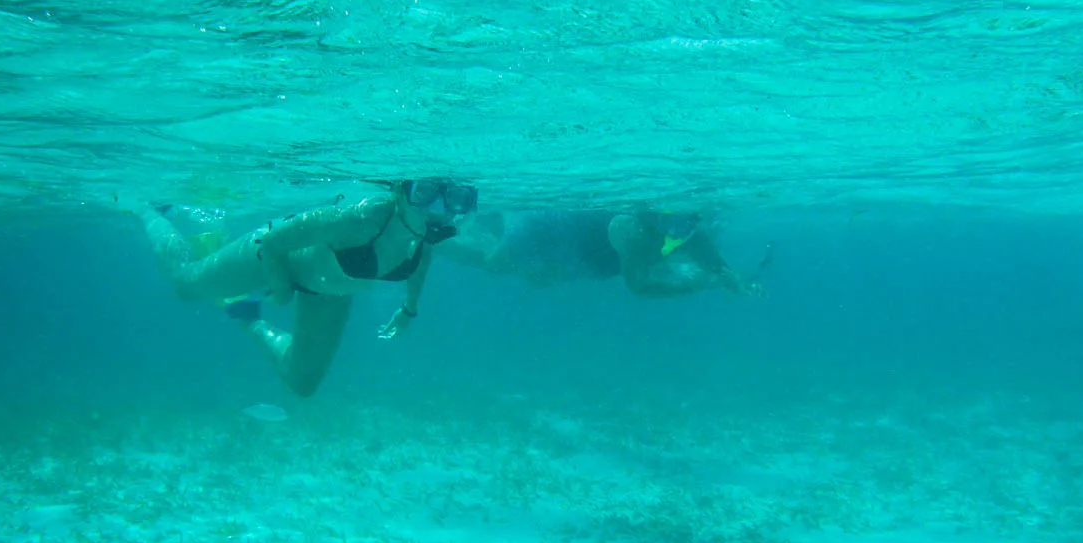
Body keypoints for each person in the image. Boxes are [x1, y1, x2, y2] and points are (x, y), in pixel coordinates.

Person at [129, 178, 478, 397]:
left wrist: (408, 309)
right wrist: (281, 289)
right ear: (400, 192)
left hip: (327, 286)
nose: (439, 209)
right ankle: (145, 210)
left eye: (455, 198)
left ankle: (241, 311)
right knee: (185, 285)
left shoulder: (425, 233)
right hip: (270, 255)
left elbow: (420, 262)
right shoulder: (358, 219)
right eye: (426, 192)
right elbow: (275, 241)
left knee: (302, 383)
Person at [437, 207, 770, 298]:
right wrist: (699, 284)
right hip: (547, 230)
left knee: (528, 274)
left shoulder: (688, 228)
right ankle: (433, 237)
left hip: (582, 257)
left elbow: (705, 253)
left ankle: (447, 233)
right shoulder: (636, 226)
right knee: (494, 263)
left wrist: (726, 277)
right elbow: (640, 286)